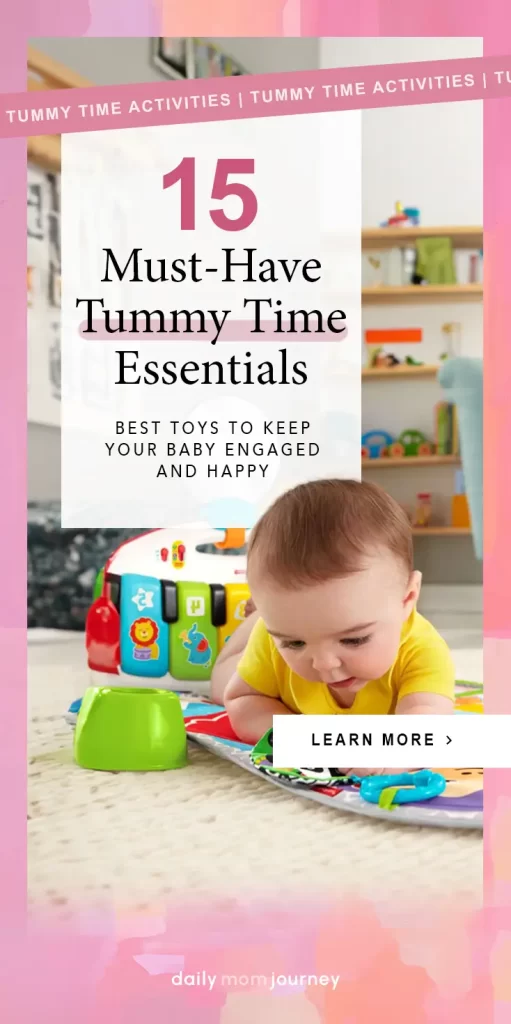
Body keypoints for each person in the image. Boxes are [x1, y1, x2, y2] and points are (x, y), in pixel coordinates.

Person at [210, 479, 454, 772]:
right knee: (219, 683)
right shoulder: (272, 637)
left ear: (407, 599)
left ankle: (264, 615)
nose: (324, 664)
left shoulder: (423, 650)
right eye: (295, 642)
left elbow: (427, 726)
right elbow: (240, 701)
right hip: (266, 632)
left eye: (354, 639)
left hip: (277, 621)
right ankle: (256, 618)